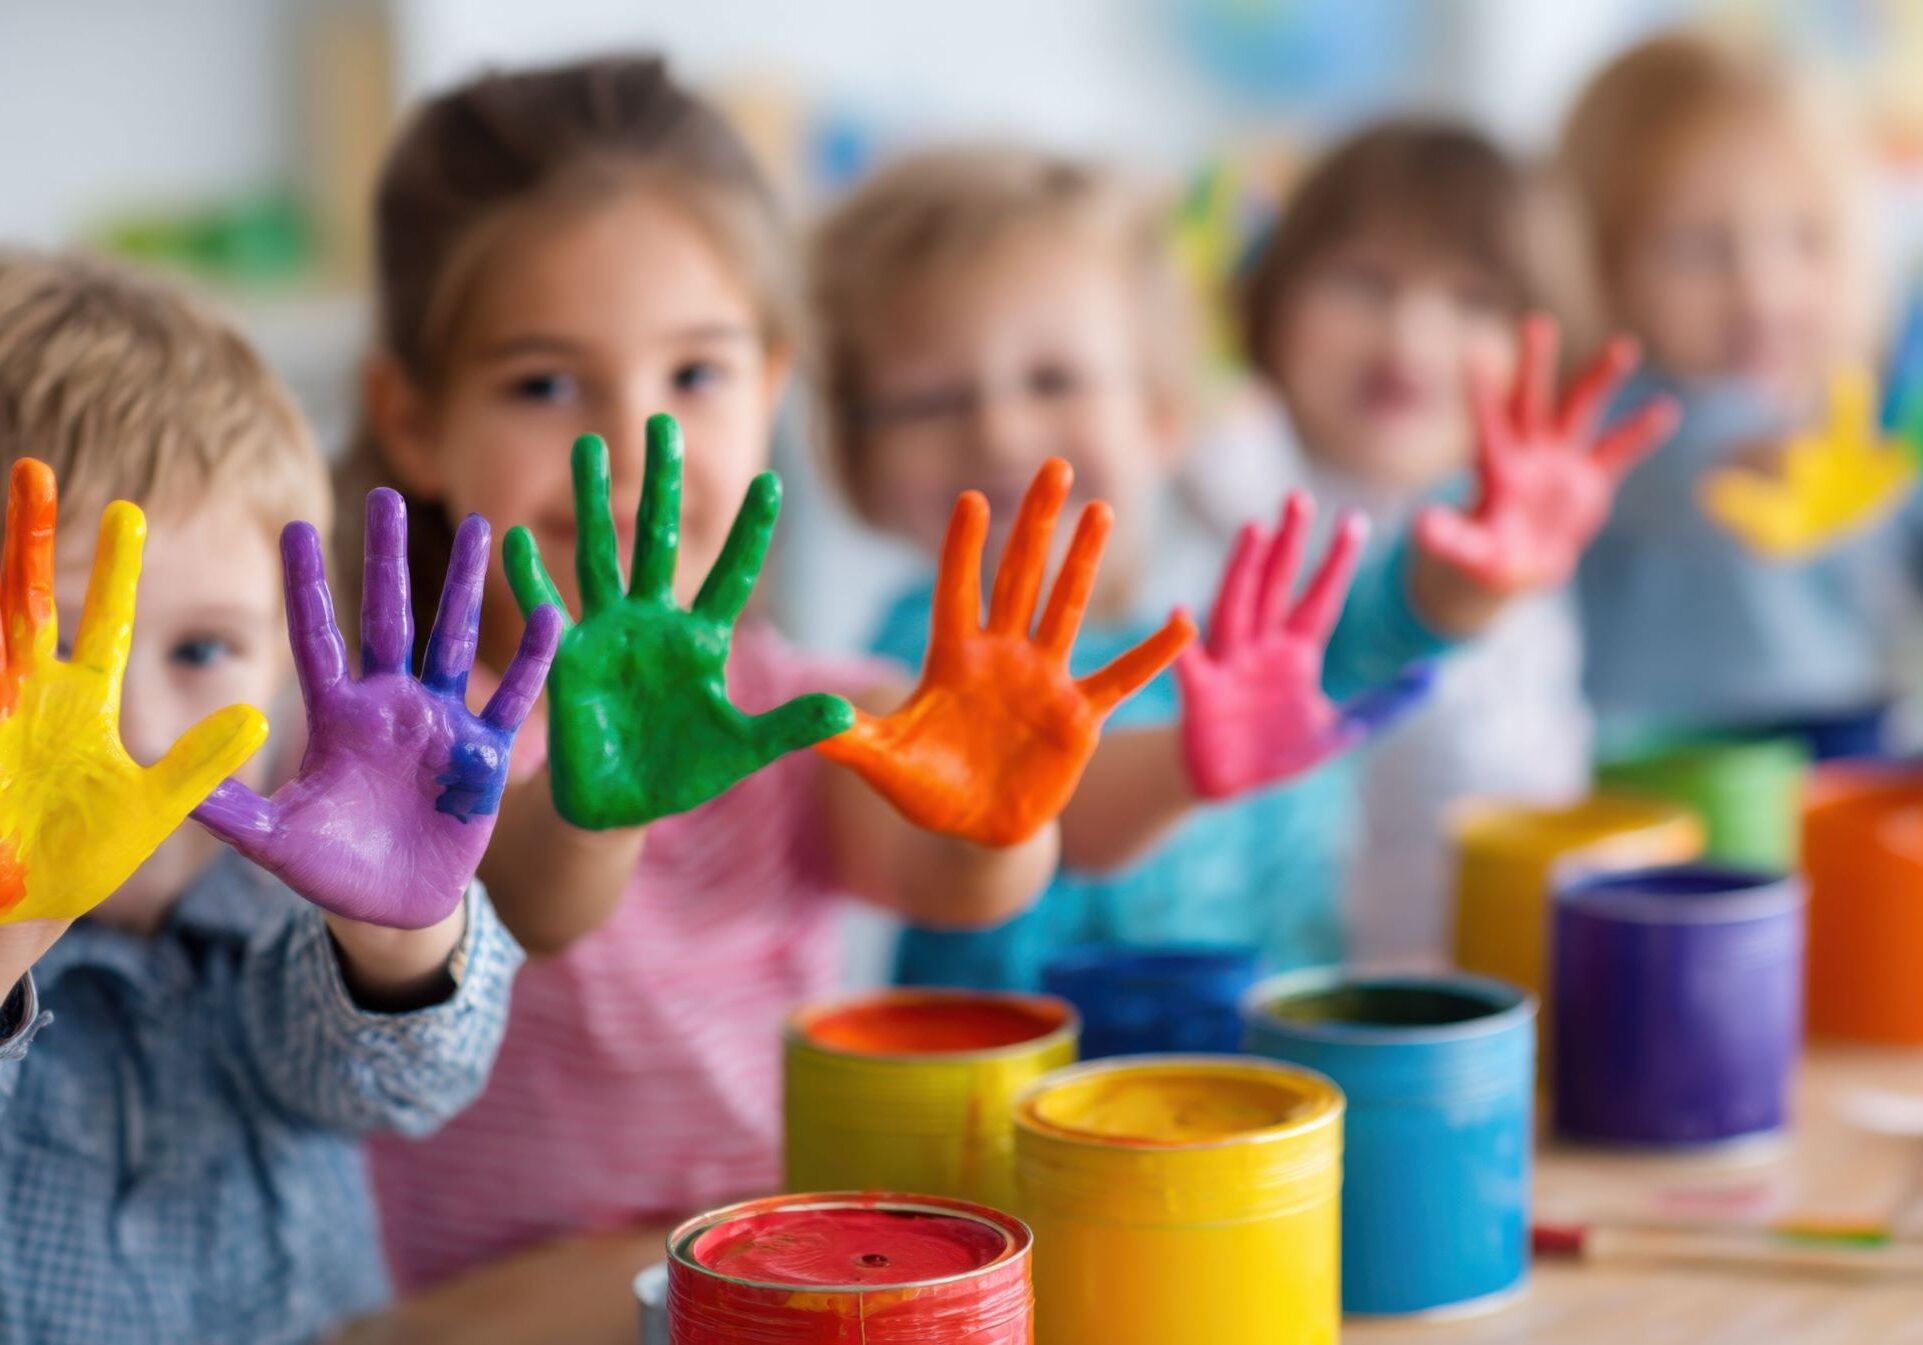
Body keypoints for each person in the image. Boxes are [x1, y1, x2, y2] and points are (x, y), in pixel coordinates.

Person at [0, 250, 543, 1343]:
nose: (144, 730)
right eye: (64, 655)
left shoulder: (271, 904)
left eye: (204, 646)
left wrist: (397, 928)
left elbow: (394, 1088)